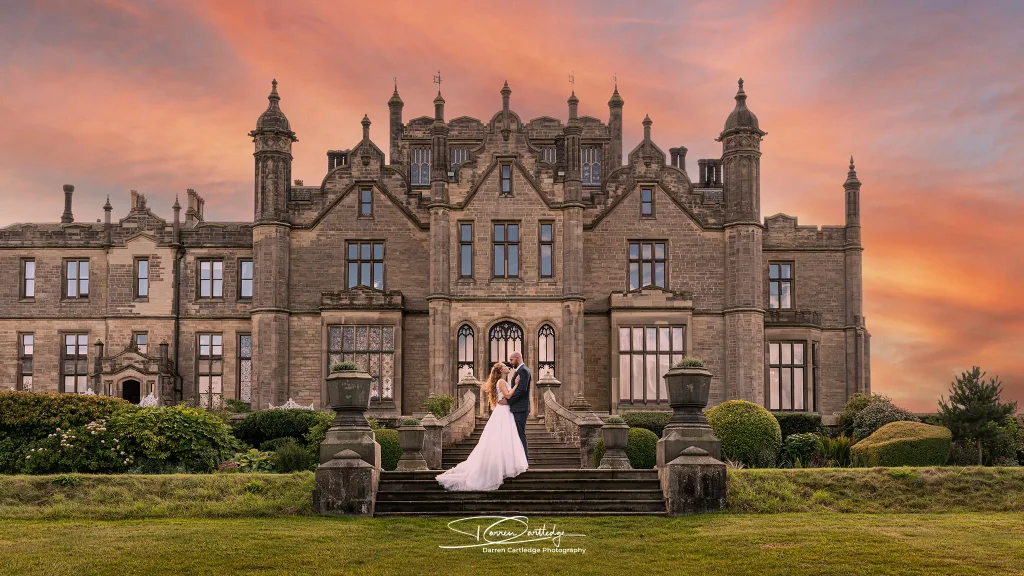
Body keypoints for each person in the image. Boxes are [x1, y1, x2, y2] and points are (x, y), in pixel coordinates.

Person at [435, 362, 529, 491]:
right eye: (505, 366)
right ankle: (499, 469)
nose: (508, 367)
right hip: (503, 412)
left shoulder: (502, 381)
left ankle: (503, 467)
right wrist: (517, 385)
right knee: (502, 439)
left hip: (505, 411)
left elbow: (506, 397)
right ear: (501, 370)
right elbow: (507, 395)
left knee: (505, 440)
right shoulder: (501, 381)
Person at [504, 351, 531, 460]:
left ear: (518, 358)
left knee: (520, 434)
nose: (510, 362)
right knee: (517, 434)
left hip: (520, 408)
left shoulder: (523, 371)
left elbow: (522, 390)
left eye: (511, 359)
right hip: (518, 408)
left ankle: (524, 461)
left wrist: (508, 401)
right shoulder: (520, 370)